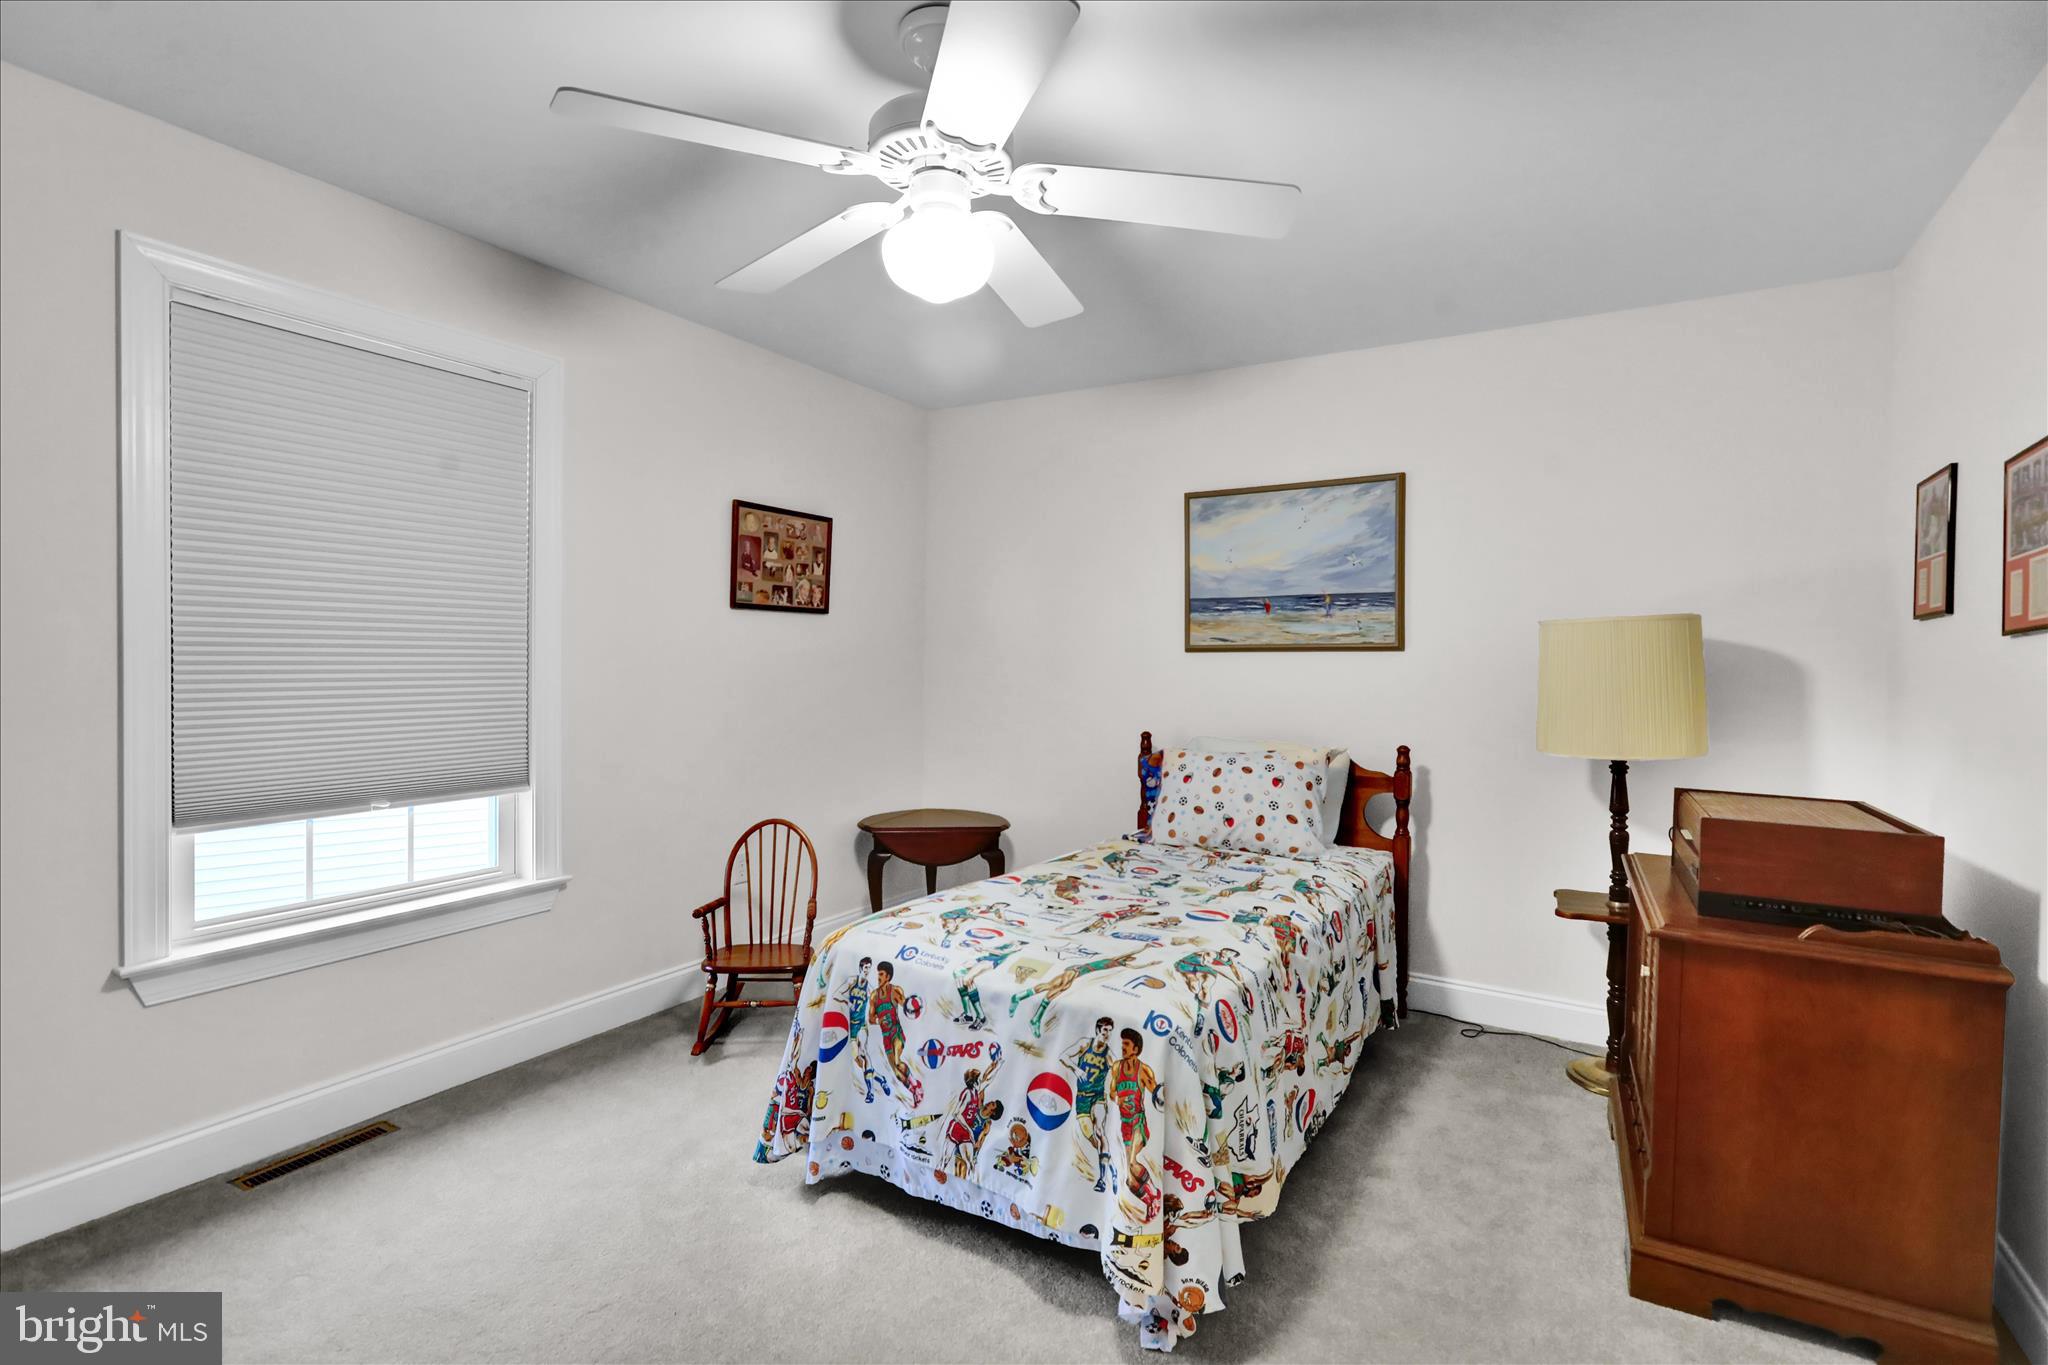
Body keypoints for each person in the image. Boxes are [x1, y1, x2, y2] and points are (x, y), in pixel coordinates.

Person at [1111, 1028, 1163, 1221]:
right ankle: (1150, 1202)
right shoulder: (1117, 1067)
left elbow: (1157, 1092)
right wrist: (1118, 1100)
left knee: (1132, 1163)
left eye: (1126, 1044)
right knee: (1129, 1179)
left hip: (1138, 1121)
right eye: (1122, 1043)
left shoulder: (1144, 1070)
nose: (1123, 1047)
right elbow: (1112, 1093)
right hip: (1124, 1124)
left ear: (1136, 1049)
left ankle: (1155, 1193)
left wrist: (1162, 1095)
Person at [1064, 1017, 1117, 1192]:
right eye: (1105, 1030)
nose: (1107, 1034)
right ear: (1097, 1030)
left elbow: (1118, 1072)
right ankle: (1110, 1166)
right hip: (1082, 1099)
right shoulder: (1085, 1044)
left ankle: (1102, 1180)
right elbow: (1063, 1056)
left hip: (1098, 1097)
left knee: (1100, 1131)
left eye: (1110, 1031)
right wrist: (1076, 1069)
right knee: (1093, 1140)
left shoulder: (1109, 1055)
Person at [870, 961, 923, 1106]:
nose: (878, 977)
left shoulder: (895, 991)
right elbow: (870, 1019)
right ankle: (914, 1090)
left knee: (898, 1062)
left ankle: (916, 1085)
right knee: (897, 1073)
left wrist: (913, 1007)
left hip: (896, 1032)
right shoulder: (874, 996)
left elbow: (906, 1005)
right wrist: (879, 1020)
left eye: (881, 974)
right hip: (885, 1036)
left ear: (888, 976)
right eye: (878, 974)